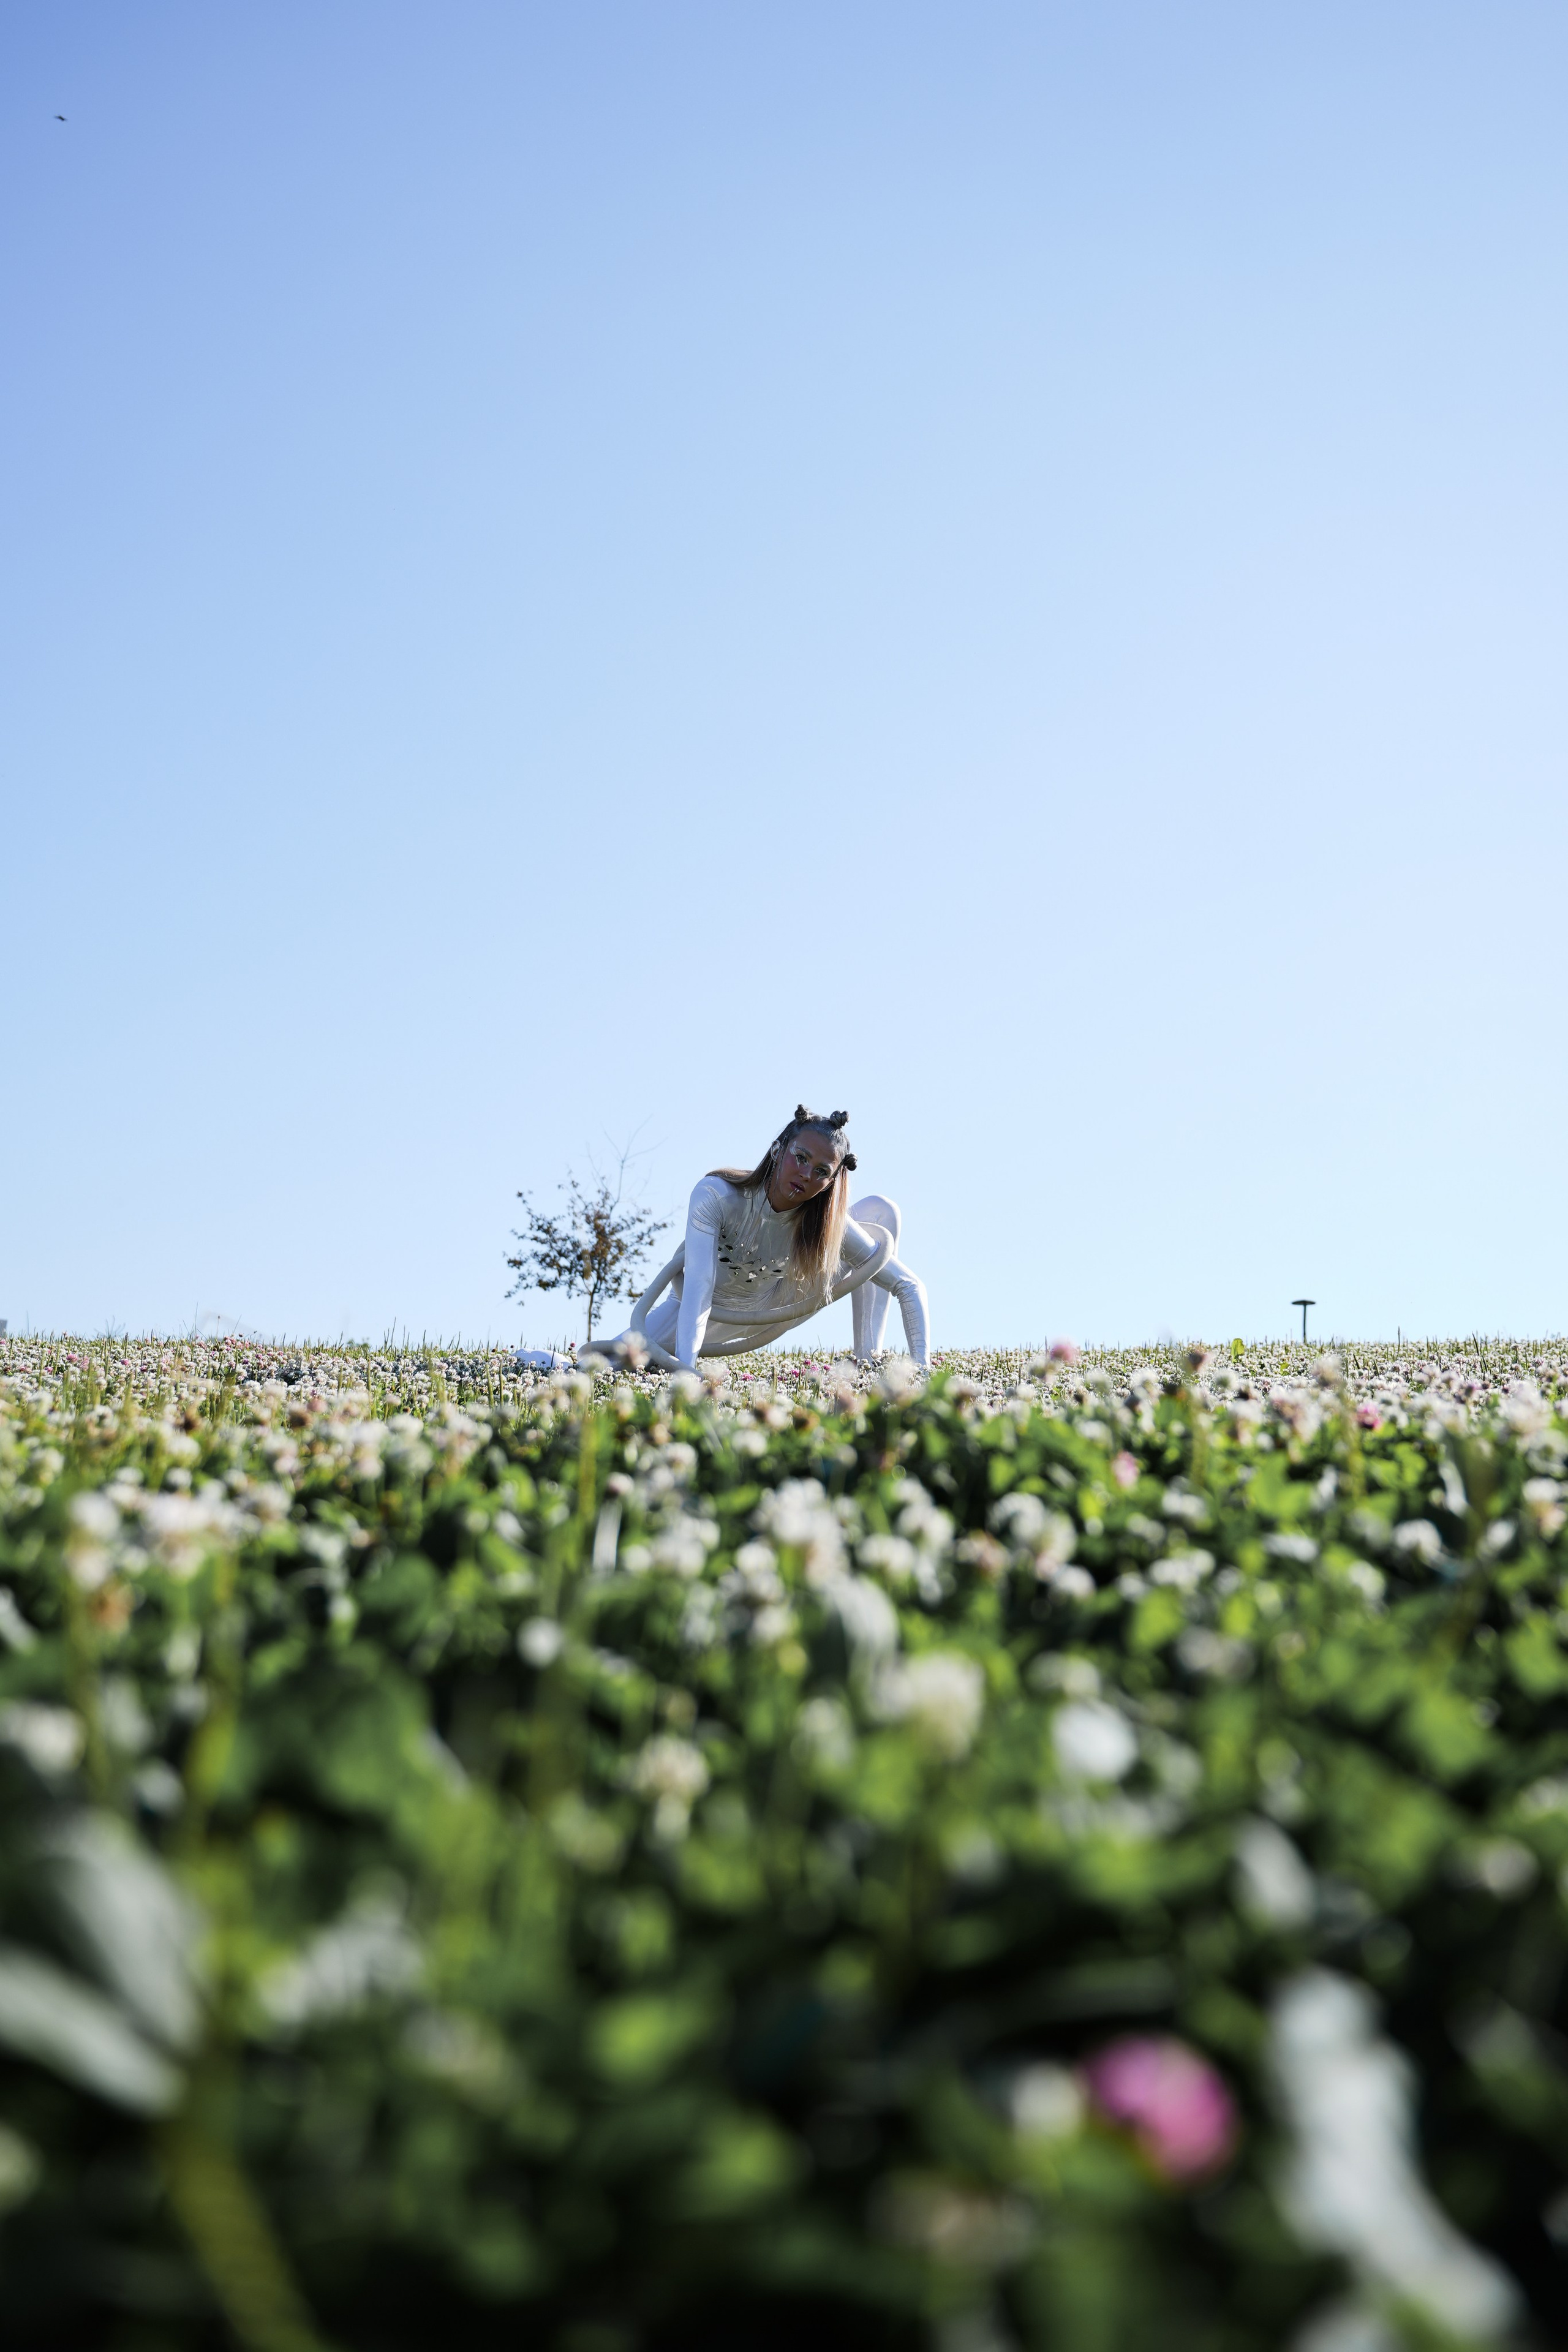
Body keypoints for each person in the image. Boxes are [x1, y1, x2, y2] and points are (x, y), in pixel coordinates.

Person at [593, 1106, 929, 1372]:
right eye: (801, 1158)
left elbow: (908, 1285)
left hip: (777, 1301)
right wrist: (687, 1372)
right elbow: (698, 1287)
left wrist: (922, 1369)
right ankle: (547, 1361)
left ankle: (868, 1361)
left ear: (831, 1182)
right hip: (700, 1313)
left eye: (822, 1172)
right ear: (777, 1150)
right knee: (599, 1365)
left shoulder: (827, 1222)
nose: (806, 1175)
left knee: (882, 1212)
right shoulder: (716, 1194)